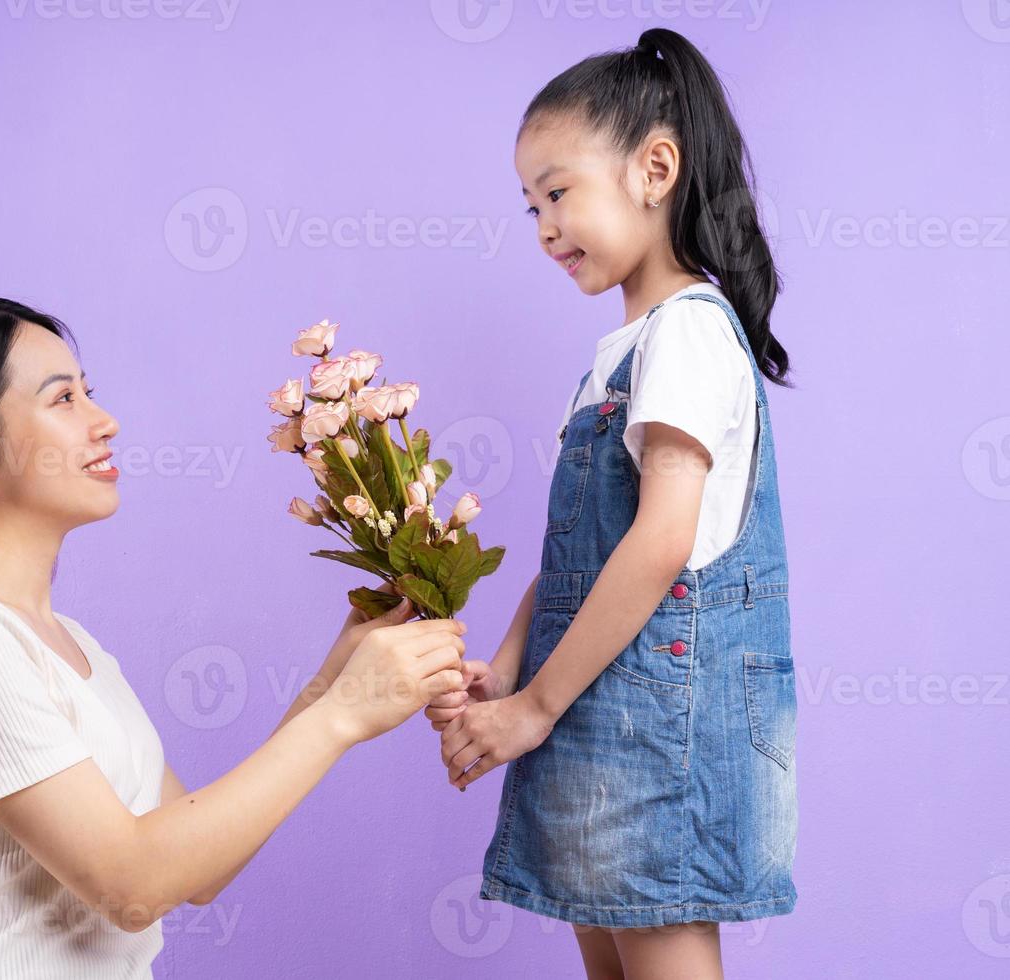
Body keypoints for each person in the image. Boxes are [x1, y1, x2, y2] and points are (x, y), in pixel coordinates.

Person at [0, 296, 467, 978]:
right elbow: (130, 887)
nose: (105, 422)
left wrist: (334, 682)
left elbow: (193, 872)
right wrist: (340, 716)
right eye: (63, 399)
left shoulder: (69, 644)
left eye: (88, 392)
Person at [426, 28, 797, 980]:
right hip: (600, 716)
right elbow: (583, 550)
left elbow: (664, 539)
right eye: (530, 207)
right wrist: (507, 671)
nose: (545, 226)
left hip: (653, 732)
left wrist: (536, 706)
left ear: (654, 169)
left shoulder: (688, 334)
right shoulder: (619, 355)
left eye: (558, 192)